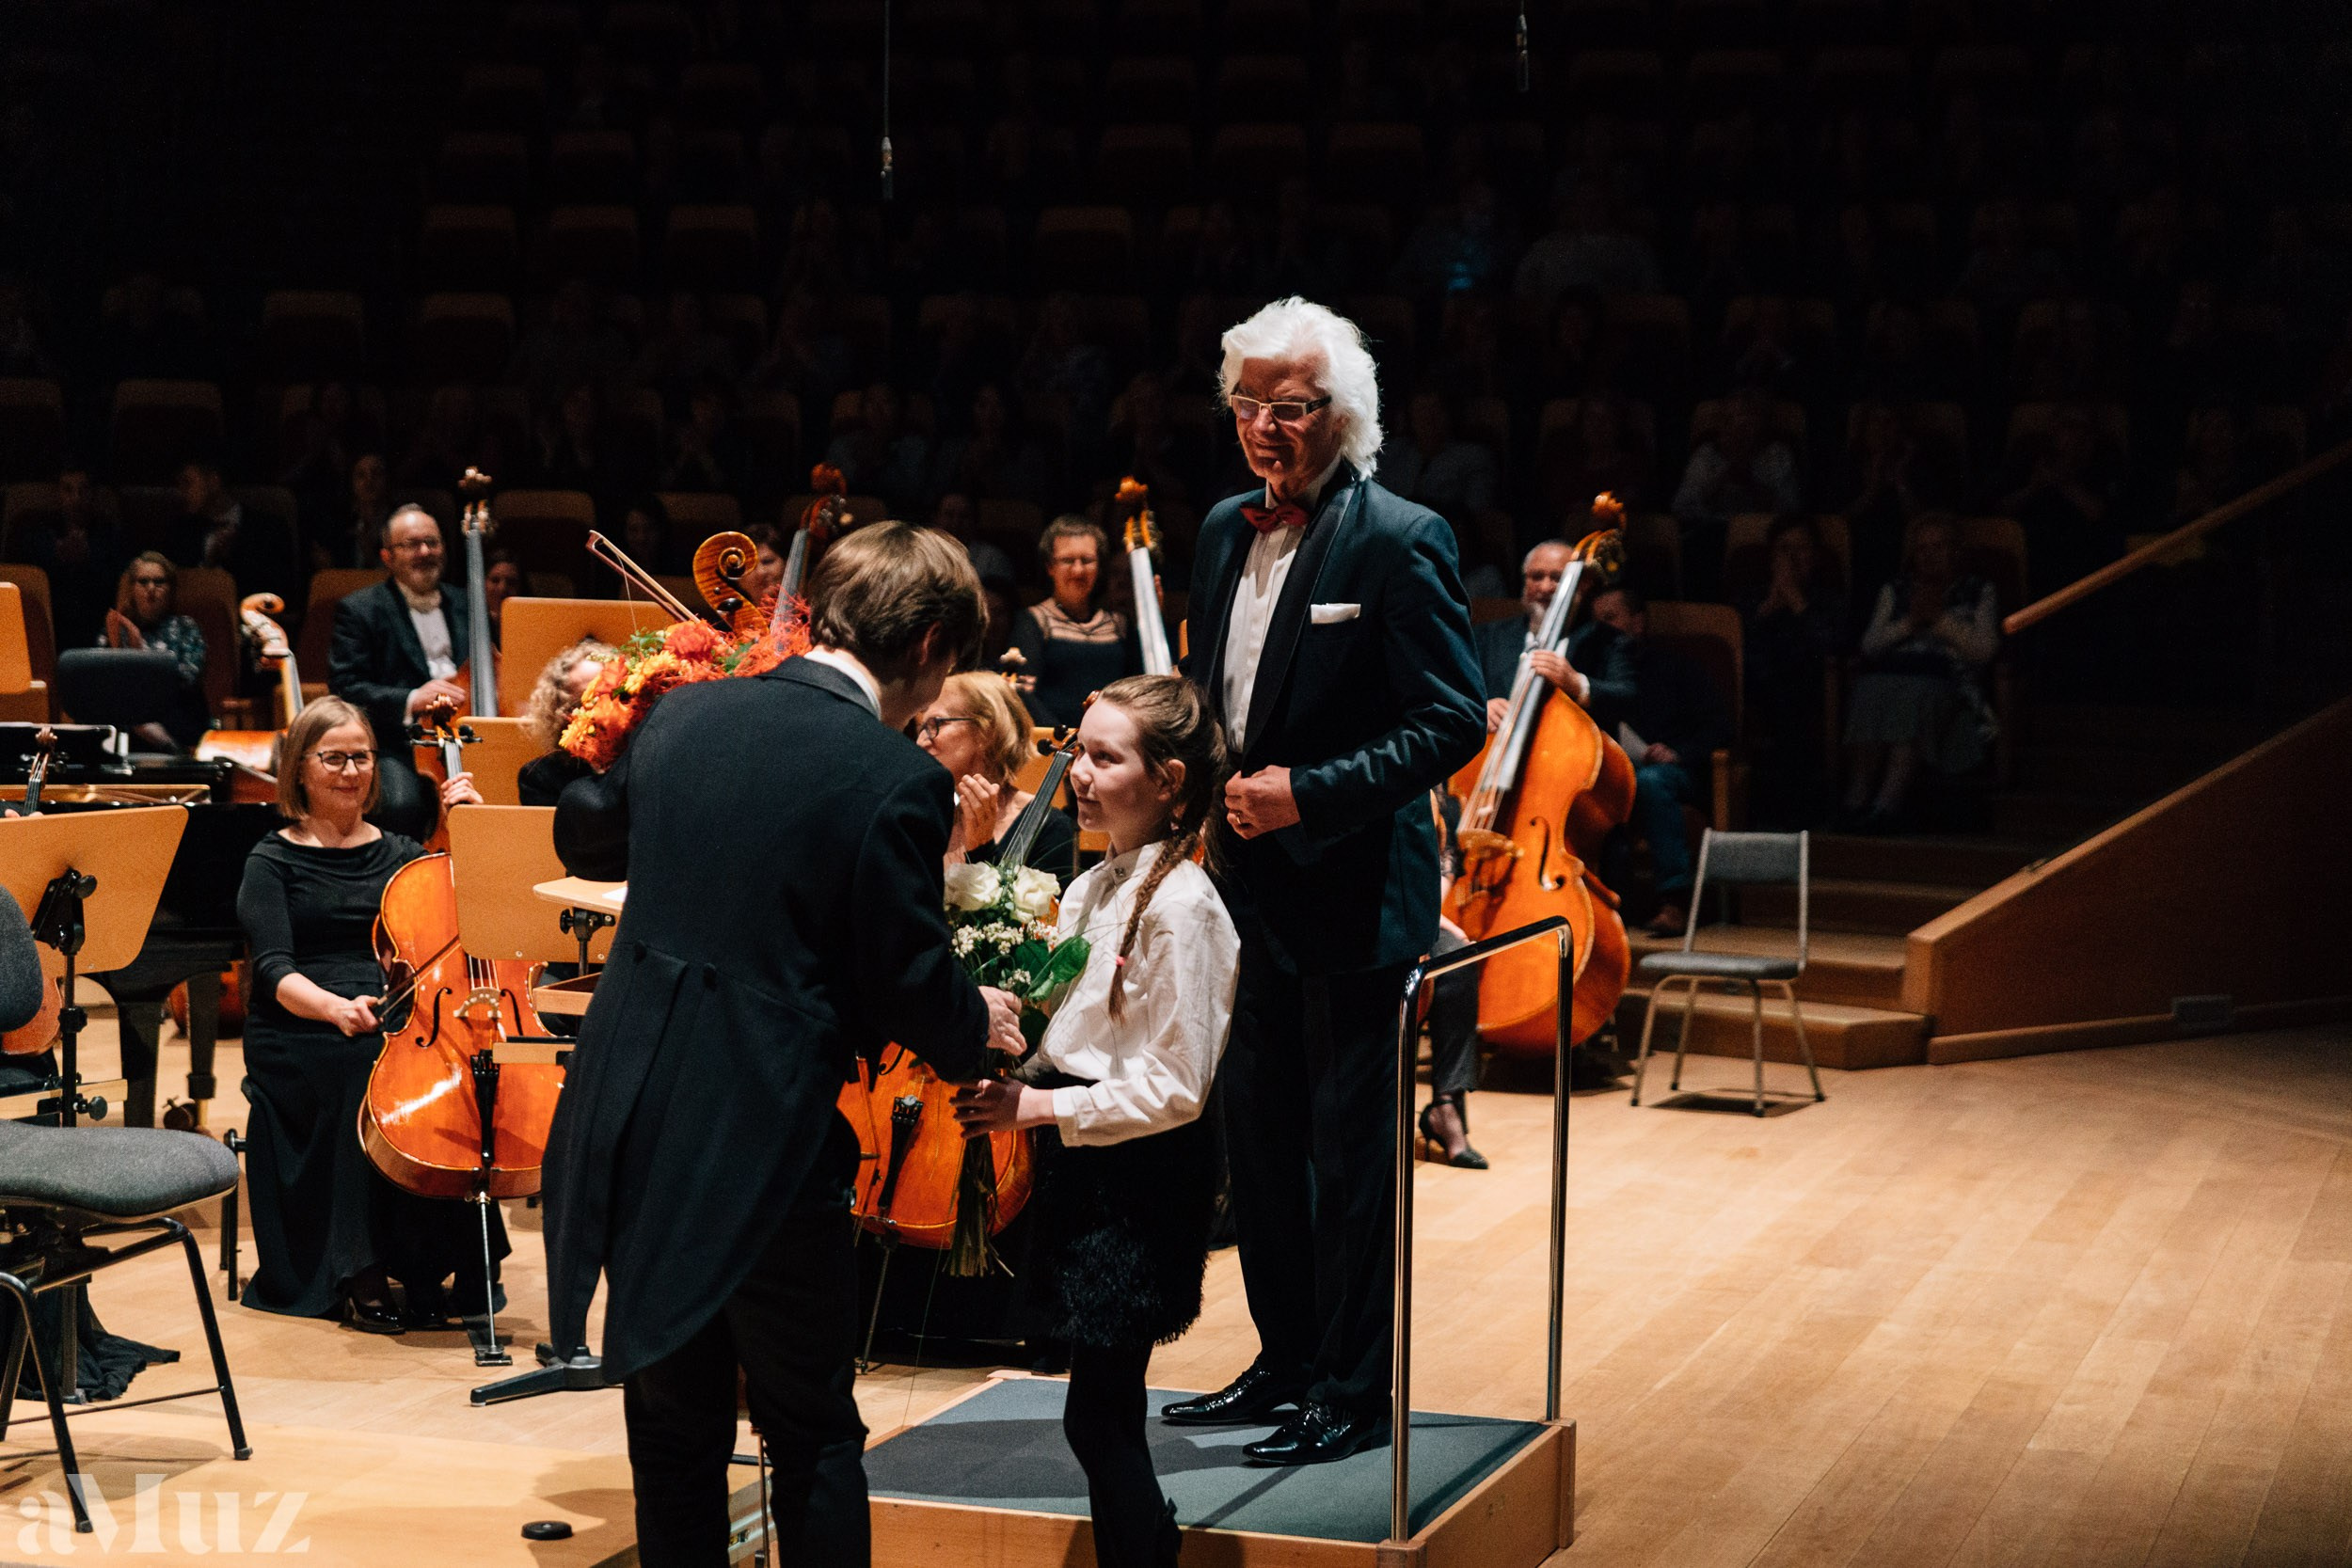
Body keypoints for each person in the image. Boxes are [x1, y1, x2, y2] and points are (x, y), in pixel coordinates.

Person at [544, 522, 1027, 1566]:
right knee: (810, 1429)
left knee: (672, 1423)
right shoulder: (895, 777)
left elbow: (585, 826)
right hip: (762, 1131)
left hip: (631, 1109)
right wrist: (972, 1017)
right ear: (935, 643)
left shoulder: (684, 716)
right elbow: (899, 974)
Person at [1166, 297, 1485, 1465]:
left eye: (1286, 406)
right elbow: (1220, 699)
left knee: (1351, 1161)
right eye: (1244, 402)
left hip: (1353, 888)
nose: (1260, 425)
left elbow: (1452, 716)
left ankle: (1355, 1392)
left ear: (1340, 415)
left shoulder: (1401, 538)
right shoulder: (1214, 529)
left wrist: (1314, 789)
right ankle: (1285, 1361)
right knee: (1259, 1144)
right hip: (1244, 885)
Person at [952, 674, 1238, 1568]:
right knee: (1098, 1412)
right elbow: (1073, 1028)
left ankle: (1150, 1552)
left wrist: (1034, 1104)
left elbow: (1177, 1085)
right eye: (1077, 748)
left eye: (1105, 755)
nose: (1077, 770)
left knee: (1098, 1414)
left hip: (1141, 1181)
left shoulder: (1186, 906)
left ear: (1170, 780)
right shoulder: (1093, 883)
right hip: (1086, 1169)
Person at [234, 697, 486, 1331]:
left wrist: (468, 838)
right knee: (361, 1066)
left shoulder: (402, 852)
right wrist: (333, 1009)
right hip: (300, 1021)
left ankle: (434, 1263)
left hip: (389, 1008)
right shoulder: (271, 860)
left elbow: (454, 925)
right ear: (300, 768)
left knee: (449, 1066)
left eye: (363, 757)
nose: (351, 771)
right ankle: (360, 1269)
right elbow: (272, 970)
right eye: (334, 757)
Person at [1589, 585, 1733, 936]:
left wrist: (1677, 751)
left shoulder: (1677, 667)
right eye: (1597, 622)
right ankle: (1598, 904)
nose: (1602, 630)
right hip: (1616, 770)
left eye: (1611, 618)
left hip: (1677, 772)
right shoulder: (1594, 674)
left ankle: (1675, 901)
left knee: (1652, 781)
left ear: (1637, 623)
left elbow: (1719, 728)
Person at [1841, 515, 1997, 832]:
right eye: (1922, 549)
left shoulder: (1978, 590)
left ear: (1955, 551)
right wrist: (1909, 623)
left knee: (1914, 697)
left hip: (1948, 682)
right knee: (1869, 690)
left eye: (1938, 547)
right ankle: (1856, 800)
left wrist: (1939, 621)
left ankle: (1886, 805)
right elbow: (1870, 645)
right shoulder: (1895, 589)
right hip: (1893, 674)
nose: (1929, 556)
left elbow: (1985, 651)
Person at [326, 506, 471, 841]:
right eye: (411, 545)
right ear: (387, 557)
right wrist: (411, 698)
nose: (424, 552)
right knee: (403, 806)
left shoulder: (467, 603)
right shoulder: (360, 610)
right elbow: (346, 687)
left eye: (432, 543)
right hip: (398, 742)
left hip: (468, 734)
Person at [914, 670, 1075, 879]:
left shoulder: (1049, 828)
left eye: (936, 724)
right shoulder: (927, 817)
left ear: (987, 730)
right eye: (922, 728)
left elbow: (1032, 912)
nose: (921, 742)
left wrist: (982, 847)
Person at [1740, 515, 1848, 828]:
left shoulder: (1829, 599)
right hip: (1756, 686)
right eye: (1784, 550)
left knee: (1791, 697)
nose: (1792, 558)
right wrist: (1770, 606)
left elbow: (1833, 647)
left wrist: (1797, 602)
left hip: (1811, 692)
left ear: (1814, 556)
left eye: (1801, 549)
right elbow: (1735, 645)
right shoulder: (1751, 597)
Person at [1471, 537, 1637, 734]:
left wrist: (1578, 684)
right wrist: (1481, 708)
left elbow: (1629, 699)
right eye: (1537, 576)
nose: (1545, 587)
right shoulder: (1488, 636)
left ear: (1582, 584)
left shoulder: (1608, 640)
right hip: (1495, 748)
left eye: (1558, 578)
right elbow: (1455, 692)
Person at [1010, 516, 1142, 727]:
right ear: (1050, 567)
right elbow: (1023, 695)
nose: (1078, 570)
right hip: (1054, 742)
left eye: (1087, 560)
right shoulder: (1033, 621)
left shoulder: (1119, 624)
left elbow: (1138, 689)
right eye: (1068, 560)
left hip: (1112, 738)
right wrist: (1069, 738)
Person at [98, 551, 210, 751]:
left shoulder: (186, 627)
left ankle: (174, 750)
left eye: (159, 582)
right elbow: (104, 680)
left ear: (170, 589)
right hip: (129, 717)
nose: (151, 588)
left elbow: (189, 677)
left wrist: (142, 650)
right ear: (132, 589)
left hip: (176, 711)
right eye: (143, 582)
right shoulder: (119, 629)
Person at [162, 460, 300, 607]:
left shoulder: (268, 528)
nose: (181, 492)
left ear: (213, 482)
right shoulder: (181, 530)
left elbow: (280, 591)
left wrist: (234, 557)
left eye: (187, 483)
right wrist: (208, 563)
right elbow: (177, 588)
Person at [516, 637, 613, 806]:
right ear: (562, 713)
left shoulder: (646, 761)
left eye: (608, 695)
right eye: (584, 702)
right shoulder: (540, 777)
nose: (600, 709)